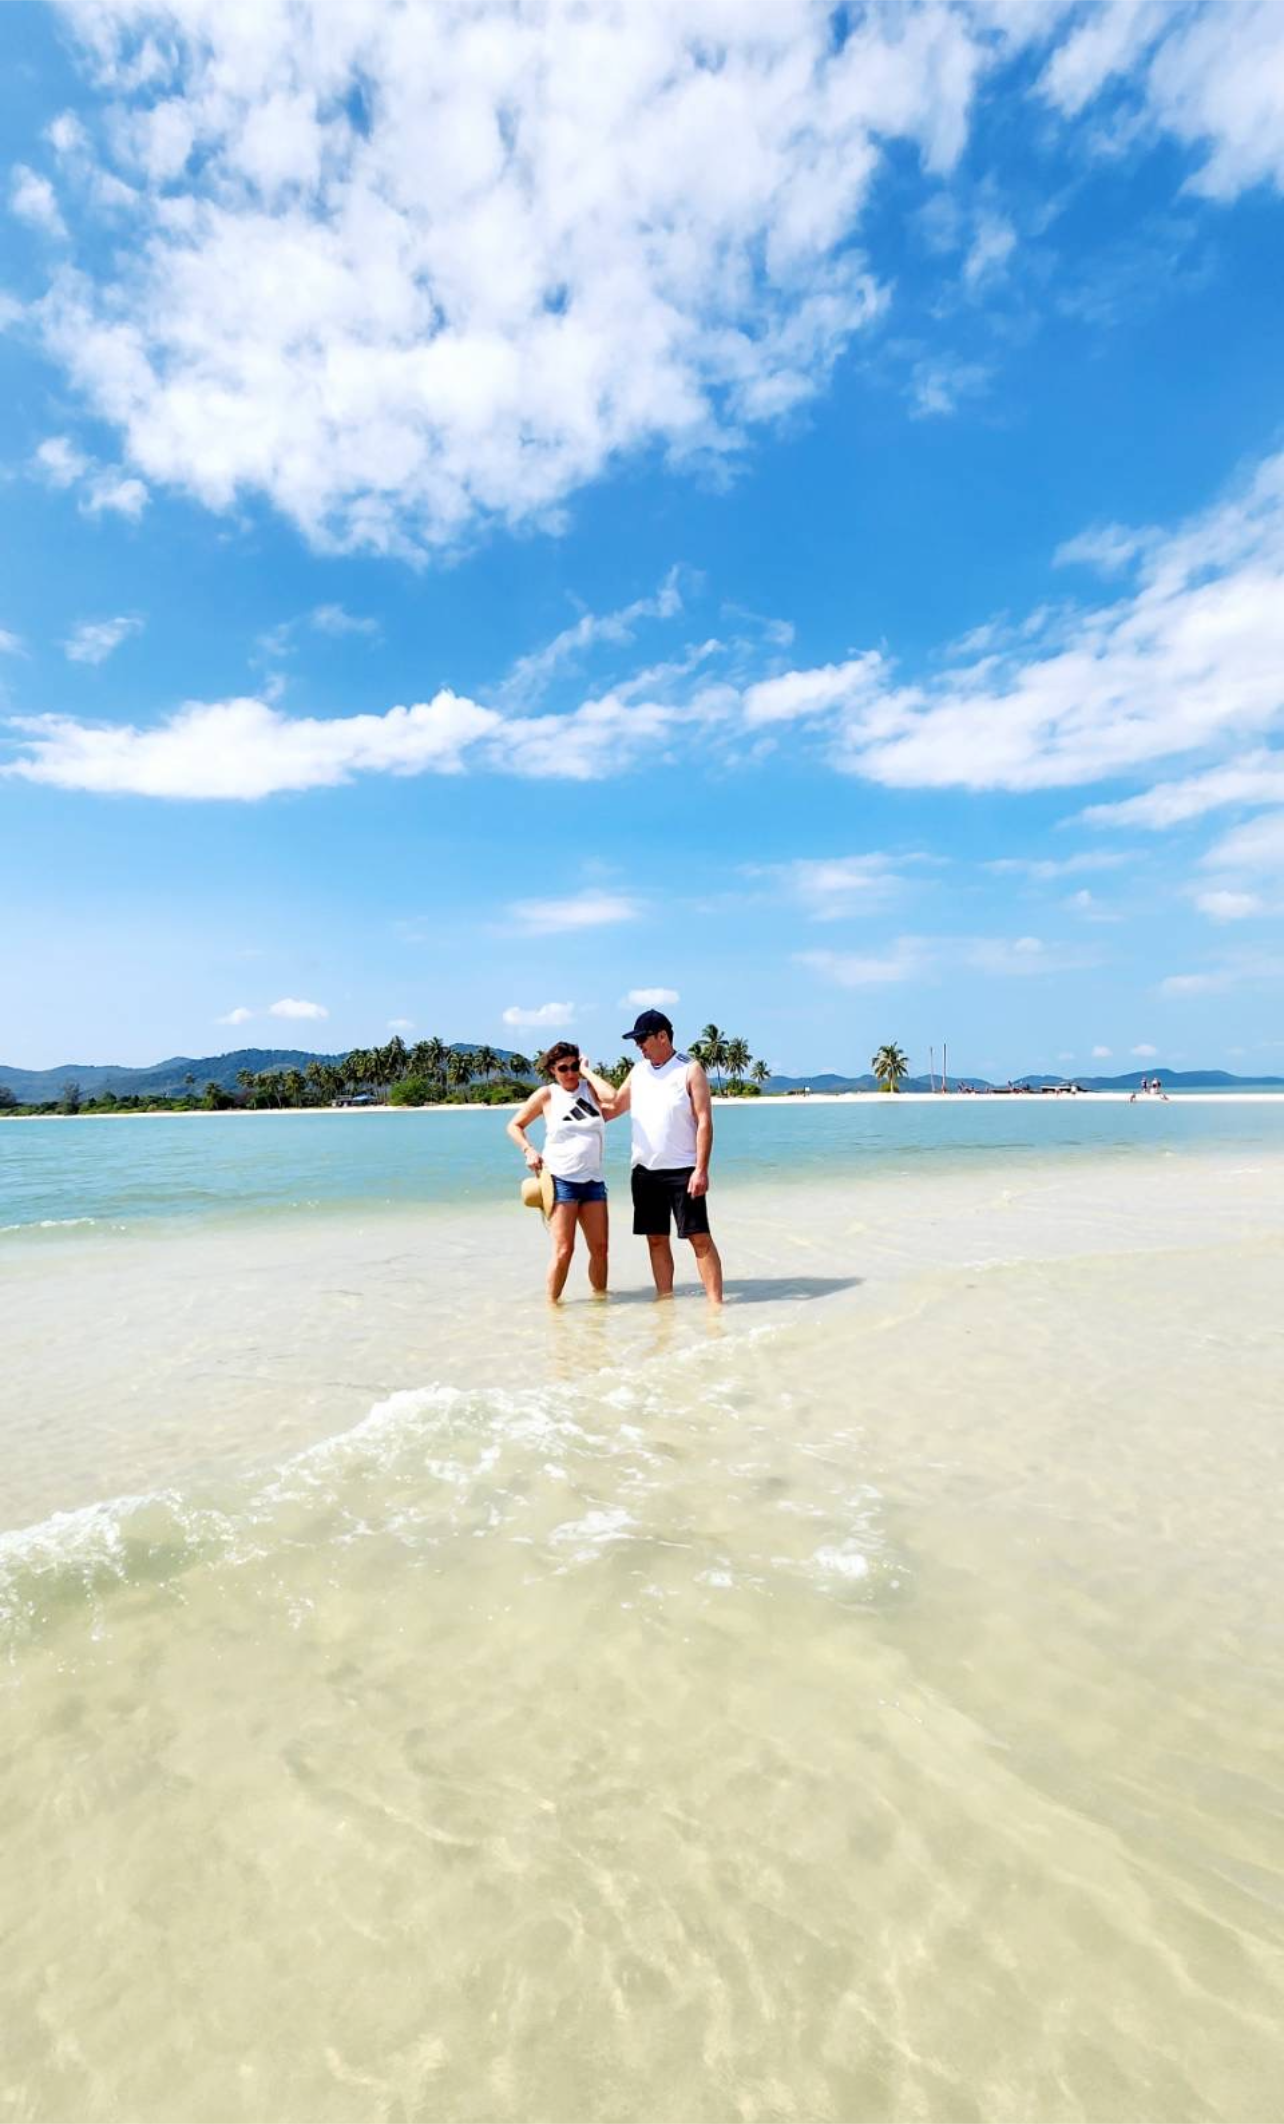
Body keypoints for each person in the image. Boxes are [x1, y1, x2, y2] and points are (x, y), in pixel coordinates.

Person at [609, 1009, 723, 1305]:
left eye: (642, 1039)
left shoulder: (689, 1069)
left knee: (699, 1238)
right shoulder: (637, 1071)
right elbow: (612, 1108)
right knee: (656, 1239)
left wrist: (701, 1169)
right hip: (645, 1173)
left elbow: (704, 1121)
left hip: (684, 1171)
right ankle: (665, 1302)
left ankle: (716, 1307)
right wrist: (575, 1085)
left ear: (662, 1036)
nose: (639, 1046)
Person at [507, 1043, 618, 1303]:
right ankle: (552, 1307)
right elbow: (514, 1125)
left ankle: (600, 1305)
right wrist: (528, 1150)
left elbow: (611, 1096)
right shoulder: (547, 1095)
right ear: (552, 1070)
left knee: (600, 1249)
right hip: (561, 1181)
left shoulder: (589, 1088)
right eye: (563, 1068)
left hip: (593, 1182)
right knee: (564, 1250)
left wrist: (587, 1073)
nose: (570, 1073)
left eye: (574, 1067)